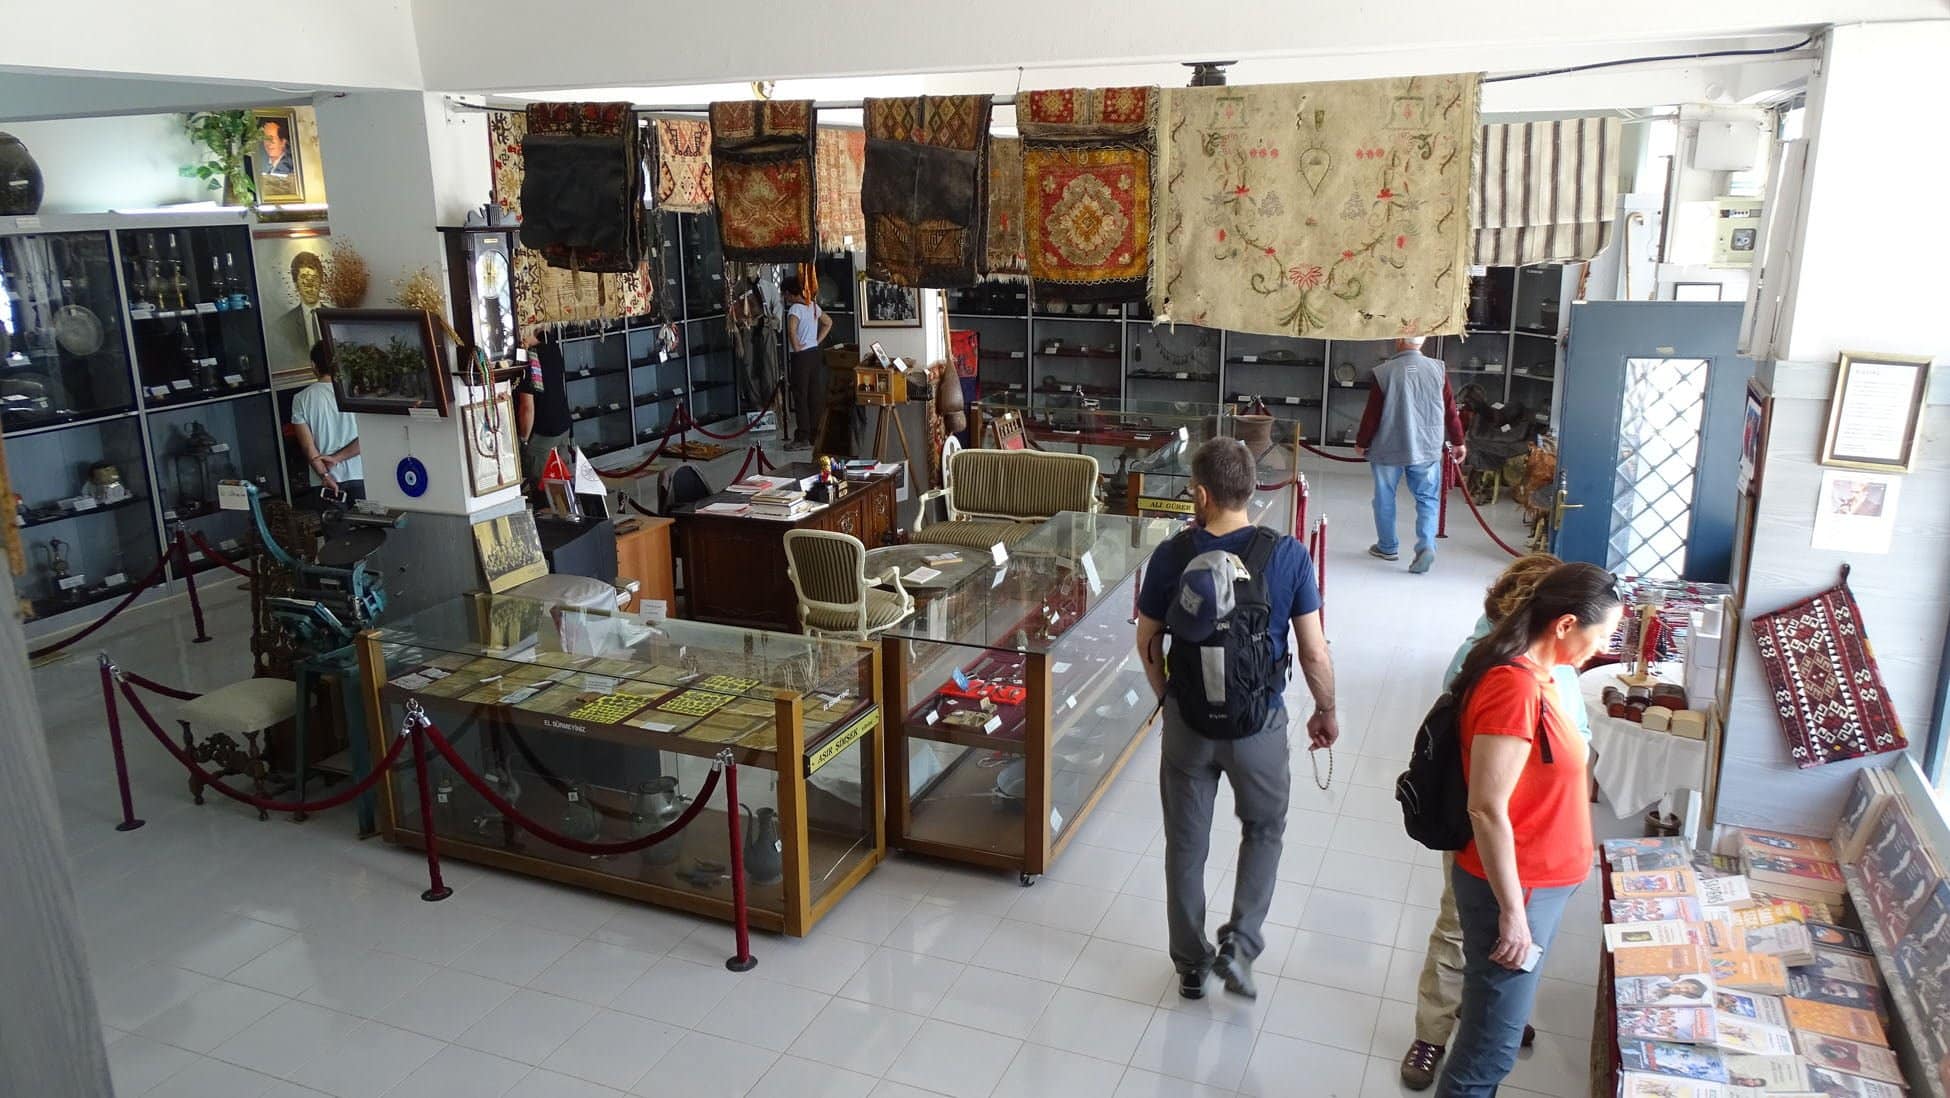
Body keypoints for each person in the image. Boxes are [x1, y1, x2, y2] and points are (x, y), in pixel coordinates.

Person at [1135, 437, 1339, 1001]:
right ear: (1251, 488)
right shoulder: (1288, 555)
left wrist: (1170, 699)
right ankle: (1240, 946)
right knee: (1264, 829)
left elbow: (1147, 640)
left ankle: (1190, 964)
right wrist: (1325, 709)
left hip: (1189, 725)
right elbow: (1314, 652)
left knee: (1185, 844)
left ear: (1201, 495)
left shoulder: (1173, 555)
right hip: (1259, 725)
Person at [1401, 553, 1594, 1088]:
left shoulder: (1554, 663)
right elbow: (1484, 788)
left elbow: (1573, 732)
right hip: (1488, 838)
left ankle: (1491, 1007)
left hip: (1535, 841)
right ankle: (1432, 1032)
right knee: (1457, 928)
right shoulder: (1492, 663)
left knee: (1505, 949)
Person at [1355, 336, 1465, 574]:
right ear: (1423, 342)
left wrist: (1362, 442)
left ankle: (1387, 547)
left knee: (1384, 496)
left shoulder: (1384, 372)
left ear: (1398, 340)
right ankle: (1426, 546)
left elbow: (1372, 414)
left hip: (1387, 446)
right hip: (1427, 446)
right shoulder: (1438, 369)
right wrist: (1458, 441)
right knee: (1427, 499)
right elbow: (1451, 410)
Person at [289, 341, 363, 507]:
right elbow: (368, 438)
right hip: (361, 473)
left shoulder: (301, 398)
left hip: (326, 480)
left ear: (313, 365)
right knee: (367, 523)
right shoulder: (355, 393)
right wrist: (336, 458)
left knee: (334, 523)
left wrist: (324, 475)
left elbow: (308, 447)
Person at [515, 326, 572, 486]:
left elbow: (527, 408)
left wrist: (523, 441)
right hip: (563, 424)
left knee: (545, 488)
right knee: (563, 483)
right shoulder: (552, 345)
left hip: (543, 434)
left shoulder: (529, 360)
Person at [783, 274, 831, 447]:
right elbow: (828, 322)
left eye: (785, 294)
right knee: (814, 394)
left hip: (801, 356)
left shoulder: (795, 309)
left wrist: (796, 346)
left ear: (789, 293)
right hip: (814, 353)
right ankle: (815, 434)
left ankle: (802, 436)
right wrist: (817, 341)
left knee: (800, 395)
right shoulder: (813, 306)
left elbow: (791, 330)